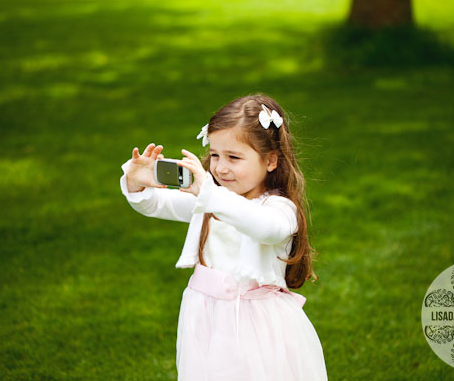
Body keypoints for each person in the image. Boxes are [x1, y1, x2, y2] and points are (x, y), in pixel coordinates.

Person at [119, 94, 328, 380]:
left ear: (270, 161)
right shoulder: (211, 199)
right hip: (205, 319)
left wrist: (210, 194)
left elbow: (264, 227)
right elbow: (155, 204)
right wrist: (136, 182)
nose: (220, 167)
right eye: (215, 155)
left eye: (234, 157)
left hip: (256, 326)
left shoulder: (278, 208)